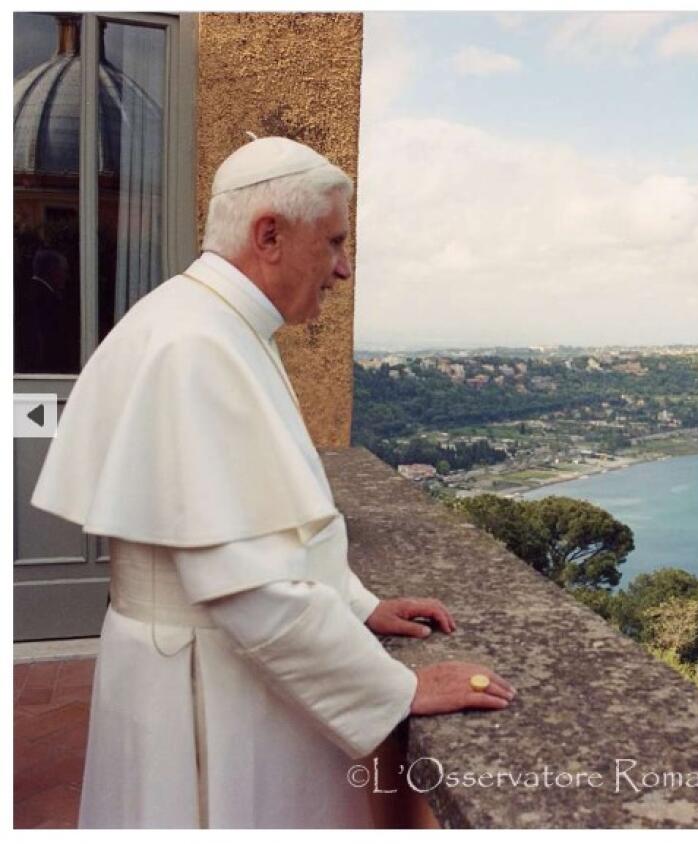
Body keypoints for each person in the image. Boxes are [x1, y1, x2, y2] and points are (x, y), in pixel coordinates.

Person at [31, 136, 515, 828]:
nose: (343, 268)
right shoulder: (198, 344)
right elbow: (250, 586)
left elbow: (270, 530)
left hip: (196, 666)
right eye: (334, 242)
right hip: (205, 686)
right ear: (269, 235)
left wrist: (358, 604)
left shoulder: (211, 322)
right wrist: (398, 687)